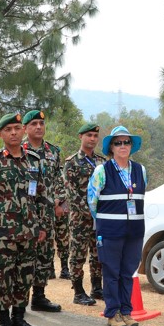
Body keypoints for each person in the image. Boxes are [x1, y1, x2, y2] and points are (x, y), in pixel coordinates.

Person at [0, 112, 48, 326]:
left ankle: (19, 319)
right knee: (3, 279)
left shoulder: (34, 161)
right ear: (0, 134)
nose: (14, 132)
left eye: (17, 128)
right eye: (9, 129)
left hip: (29, 232)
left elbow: (42, 197)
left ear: (23, 130)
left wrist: (43, 226)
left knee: (25, 278)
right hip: (2, 235)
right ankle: (4, 323)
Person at [87, 125, 147, 326]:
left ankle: (126, 312)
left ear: (132, 146)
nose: (123, 146)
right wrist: (105, 223)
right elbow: (92, 202)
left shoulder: (141, 170)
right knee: (111, 271)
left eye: (126, 142)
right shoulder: (101, 171)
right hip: (111, 231)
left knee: (127, 272)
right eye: (118, 143)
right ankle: (112, 313)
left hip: (134, 232)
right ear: (111, 147)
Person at [22, 110, 63, 313]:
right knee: (25, 255)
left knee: (45, 255)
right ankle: (21, 299)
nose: (39, 127)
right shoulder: (18, 150)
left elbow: (59, 181)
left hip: (47, 213)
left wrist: (60, 205)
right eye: (34, 124)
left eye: (41, 123)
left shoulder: (53, 151)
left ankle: (39, 296)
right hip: (24, 213)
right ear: (26, 128)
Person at [63, 123, 106, 306]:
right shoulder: (71, 162)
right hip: (80, 218)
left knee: (98, 254)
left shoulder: (102, 162)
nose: (92, 139)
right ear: (80, 136)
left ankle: (97, 288)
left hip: (100, 218)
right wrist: (89, 212)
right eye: (89, 135)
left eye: (95, 136)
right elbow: (70, 193)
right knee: (78, 254)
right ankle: (78, 292)